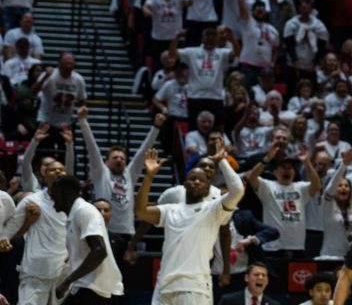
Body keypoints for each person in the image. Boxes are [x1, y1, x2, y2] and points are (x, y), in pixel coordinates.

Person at [135, 138, 244, 304]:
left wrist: (221, 160)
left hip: (194, 286)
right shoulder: (170, 209)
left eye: (201, 180)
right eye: (193, 178)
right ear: (185, 183)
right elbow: (140, 212)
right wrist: (149, 177)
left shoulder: (213, 209)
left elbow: (237, 190)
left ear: (208, 187)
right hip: (164, 284)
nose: (197, 181)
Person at [77, 106, 164, 255]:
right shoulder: (101, 173)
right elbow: (93, 149)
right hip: (104, 230)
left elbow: (143, 151)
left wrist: (156, 127)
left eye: (122, 158)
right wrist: (83, 121)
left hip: (127, 232)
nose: (119, 160)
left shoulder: (129, 174)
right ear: (106, 162)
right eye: (115, 158)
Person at [2, 158, 68, 304]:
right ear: (44, 174)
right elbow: (9, 232)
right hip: (35, 271)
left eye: (61, 169)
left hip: (63, 271)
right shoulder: (31, 201)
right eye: (53, 169)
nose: (58, 172)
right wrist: (6, 237)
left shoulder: (75, 204)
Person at [49, 175, 123, 304]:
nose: (51, 198)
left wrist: (67, 281)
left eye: (53, 193)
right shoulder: (76, 213)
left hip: (94, 289)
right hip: (85, 286)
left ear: (64, 193)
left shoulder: (84, 211)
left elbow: (100, 251)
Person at [245, 142, 322, 258]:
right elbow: (251, 177)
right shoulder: (268, 186)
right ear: (275, 172)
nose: (287, 170)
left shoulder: (301, 187)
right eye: (283, 167)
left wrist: (307, 162)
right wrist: (266, 159)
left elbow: (316, 186)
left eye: (290, 168)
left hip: (297, 246)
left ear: (294, 172)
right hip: (272, 246)